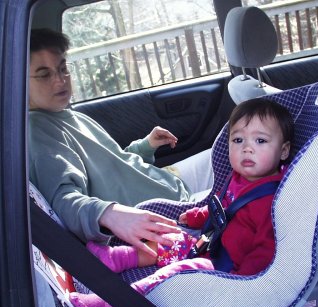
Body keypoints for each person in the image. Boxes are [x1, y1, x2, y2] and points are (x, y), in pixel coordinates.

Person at [69, 97, 294, 307]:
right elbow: (223, 209)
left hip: (226, 269)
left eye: (261, 141)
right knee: (167, 238)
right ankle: (117, 258)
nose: (247, 149)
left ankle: (114, 306)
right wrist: (198, 216)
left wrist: (241, 286)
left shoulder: (272, 201)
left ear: (283, 151)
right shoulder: (238, 178)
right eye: (238, 140)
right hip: (209, 244)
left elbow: (265, 251)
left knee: (175, 273)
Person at [28, 27, 213, 256]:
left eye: (63, 68)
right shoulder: (38, 132)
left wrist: (146, 146)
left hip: (166, 183)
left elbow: (115, 164)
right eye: (44, 74)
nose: (60, 80)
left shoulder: (68, 115)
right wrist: (108, 214)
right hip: (166, 211)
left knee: (228, 153)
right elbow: (63, 199)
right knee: (246, 169)